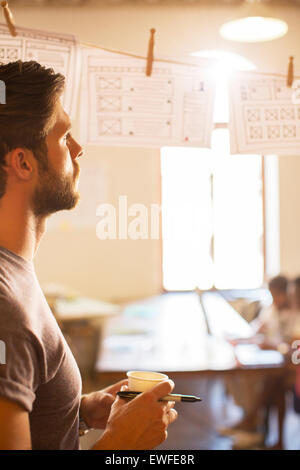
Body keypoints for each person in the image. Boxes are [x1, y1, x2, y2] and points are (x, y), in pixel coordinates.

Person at [0, 60, 178, 450]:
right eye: (64, 137)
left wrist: (74, 412)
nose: (78, 149)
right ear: (23, 162)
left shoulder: (16, 273)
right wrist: (121, 443)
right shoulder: (3, 303)